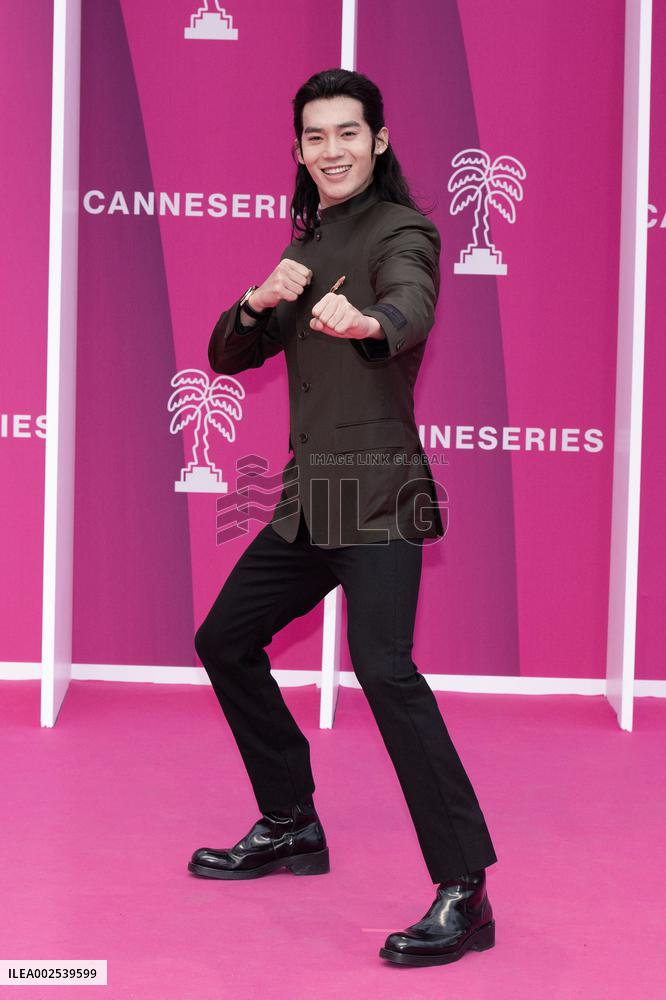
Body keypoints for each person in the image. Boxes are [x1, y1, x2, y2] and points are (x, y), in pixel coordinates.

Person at [190, 68, 498, 968]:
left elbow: (411, 300)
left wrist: (369, 322)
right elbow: (226, 353)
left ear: (379, 139)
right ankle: (291, 824)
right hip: (310, 496)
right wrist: (258, 300)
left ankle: (466, 887)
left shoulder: (404, 229)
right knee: (224, 640)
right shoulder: (308, 240)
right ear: (299, 150)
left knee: (383, 670)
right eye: (315, 137)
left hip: (379, 494)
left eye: (348, 133)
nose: (332, 150)